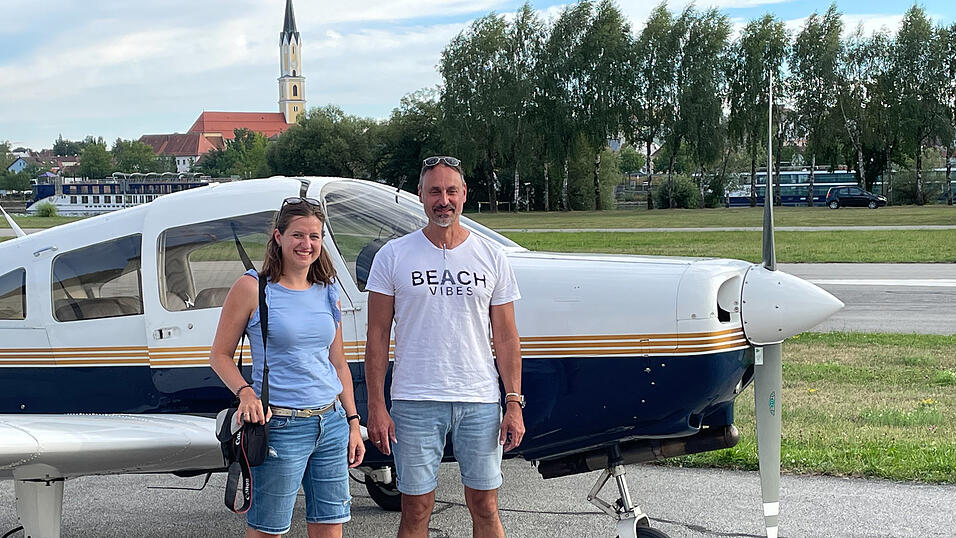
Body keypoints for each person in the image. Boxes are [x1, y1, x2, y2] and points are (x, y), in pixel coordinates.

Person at [365, 156, 525, 538]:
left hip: (479, 399)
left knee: (485, 506)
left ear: (464, 195)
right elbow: (377, 335)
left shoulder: (491, 256)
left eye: (451, 190)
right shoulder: (393, 255)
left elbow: (505, 336)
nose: (444, 199)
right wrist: (376, 405)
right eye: (434, 191)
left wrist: (514, 402)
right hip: (414, 400)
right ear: (420, 195)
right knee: (416, 508)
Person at [210, 197, 365, 538]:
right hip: (281, 425)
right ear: (278, 237)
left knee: (329, 526)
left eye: (315, 236)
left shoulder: (328, 289)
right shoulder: (253, 288)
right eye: (298, 235)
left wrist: (353, 422)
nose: (306, 244)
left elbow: (336, 362)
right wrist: (245, 393)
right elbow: (219, 355)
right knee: (268, 530)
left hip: (331, 423)